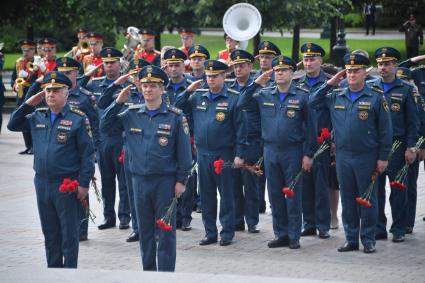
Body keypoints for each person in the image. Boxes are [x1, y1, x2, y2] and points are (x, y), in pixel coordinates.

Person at [101, 65, 191, 272]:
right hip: (139, 181)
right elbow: (105, 126)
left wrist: (181, 180)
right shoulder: (130, 114)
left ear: (162, 89)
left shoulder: (175, 117)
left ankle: (166, 273)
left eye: (152, 86)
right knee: (145, 231)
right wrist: (117, 102)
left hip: (165, 182)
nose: (148, 90)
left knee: (166, 230)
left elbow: (184, 153)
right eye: (144, 86)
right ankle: (148, 272)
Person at [7, 71, 95, 268]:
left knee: (69, 234)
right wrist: (29, 102)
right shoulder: (37, 115)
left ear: (66, 93)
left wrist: (83, 184)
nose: (50, 94)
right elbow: (13, 125)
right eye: (47, 90)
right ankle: (53, 273)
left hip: (67, 183)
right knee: (50, 233)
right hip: (43, 182)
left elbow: (87, 154)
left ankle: (69, 273)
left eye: (56, 90)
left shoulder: (78, 119)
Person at [310, 53, 393, 253]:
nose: (352, 75)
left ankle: (368, 239)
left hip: (367, 155)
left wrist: (383, 157)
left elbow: (386, 130)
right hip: (343, 156)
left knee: (367, 199)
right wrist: (331, 82)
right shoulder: (336, 95)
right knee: (347, 199)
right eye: (348, 71)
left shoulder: (375, 97)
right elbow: (313, 101)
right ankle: (351, 239)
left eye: (356, 71)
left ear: (365, 72)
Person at [238, 55, 314, 249]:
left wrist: (308, 154)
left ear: (292, 72)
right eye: (277, 70)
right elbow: (242, 102)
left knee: (292, 194)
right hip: (270, 150)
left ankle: (294, 235)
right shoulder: (264, 93)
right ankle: (281, 233)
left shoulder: (302, 95)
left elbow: (311, 127)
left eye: (284, 70)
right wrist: (256, 83)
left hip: (293, 150)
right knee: (275, 194)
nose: (280, 73)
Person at [175, 60, 247, 247]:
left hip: (225, 153)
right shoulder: (198, 96)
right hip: (203, 153)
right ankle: (210, 232)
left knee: (226, 195)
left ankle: (227, 232)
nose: (211, 79)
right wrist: (188, 90)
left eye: (215, 76)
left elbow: (241, 129)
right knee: (206, 196)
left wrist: (240, 154)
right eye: (208, 76)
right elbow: (177, 106)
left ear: (224, 76)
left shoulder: (234, 97)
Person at [371, 47, 419, 243]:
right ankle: (378, 227)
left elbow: (413, 122)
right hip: (375, 146)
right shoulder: (372, 87)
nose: (382, 67)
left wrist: (411, 147)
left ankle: (398, 227)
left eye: (387, 63)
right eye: (380, 64)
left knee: (398, 189)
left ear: (395, 65)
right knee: (376, 189)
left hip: (398, 146)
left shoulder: (406, 89)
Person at [297, 43, 332, 239]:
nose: (308, 63)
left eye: (312, 59)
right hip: (301, 141)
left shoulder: (330, 83)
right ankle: (308, 223)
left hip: (322, 141)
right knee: (304, 184)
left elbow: (336, 112)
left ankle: (323, 224)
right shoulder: (297, 83)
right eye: (306, 59)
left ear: (321, 61)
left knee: (321, 184)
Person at [228, 49, 261, 233]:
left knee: (251, 183)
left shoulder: (258, 90)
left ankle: (252, 220)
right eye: (235, 66)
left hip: (252, 141)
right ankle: (237, 220)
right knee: (233, 183)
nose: (238, 69)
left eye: (242, 65)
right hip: (232, 142)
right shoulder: (229, 88)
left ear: (250, 66)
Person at [11, 39, 36, 154]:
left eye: (28, 50)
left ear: (33, 50)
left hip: (32, 94)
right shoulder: (18, 62)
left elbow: (37, 79)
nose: (25, 52)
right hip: (21, 95)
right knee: (21, 119)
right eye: (23, 50)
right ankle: (28, 146)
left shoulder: (37, 62)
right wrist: (15, 85)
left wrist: (28, 76)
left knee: (32, 119)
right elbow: (13, 78)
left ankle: (34, 146)